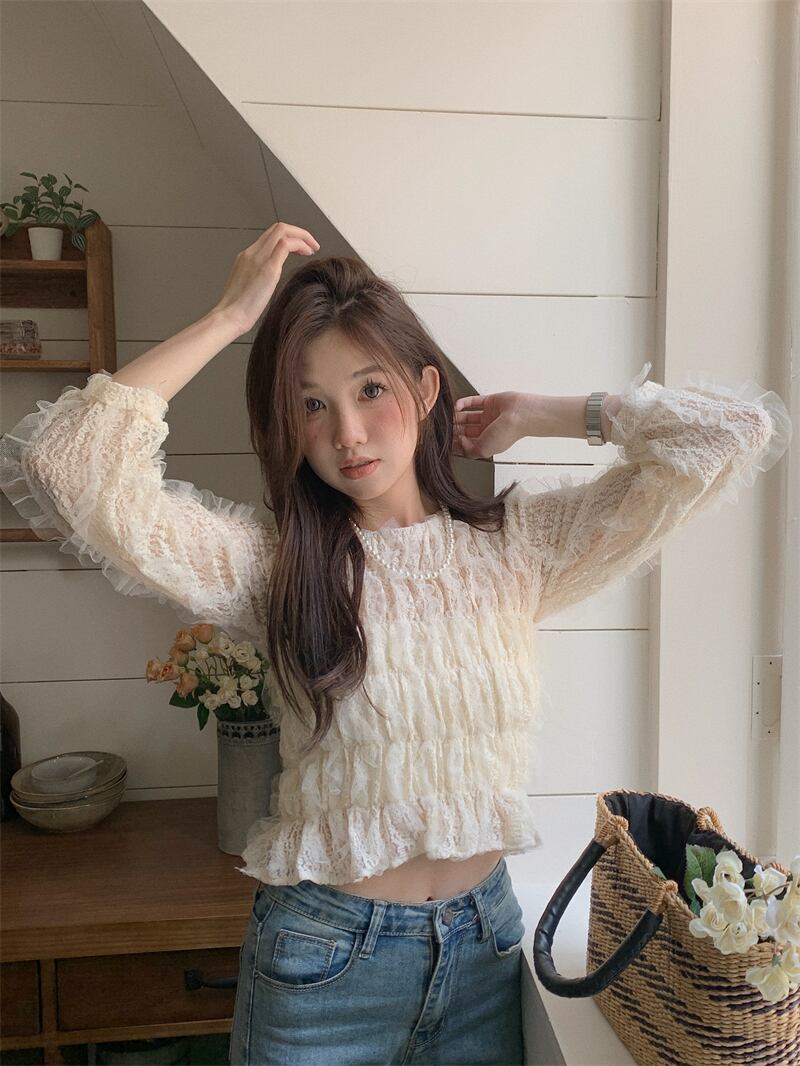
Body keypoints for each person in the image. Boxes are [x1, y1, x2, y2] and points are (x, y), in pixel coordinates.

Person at [0, 222, 792, 1065]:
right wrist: (230, 318)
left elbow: (733, 433)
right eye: (311, 404)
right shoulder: (273, 566)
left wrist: (547, 412)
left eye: (370, 389)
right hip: (323, 963)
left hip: (484, 948)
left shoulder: (517, 549)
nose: (347, 432)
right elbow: (67, 464)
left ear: (425, 389)